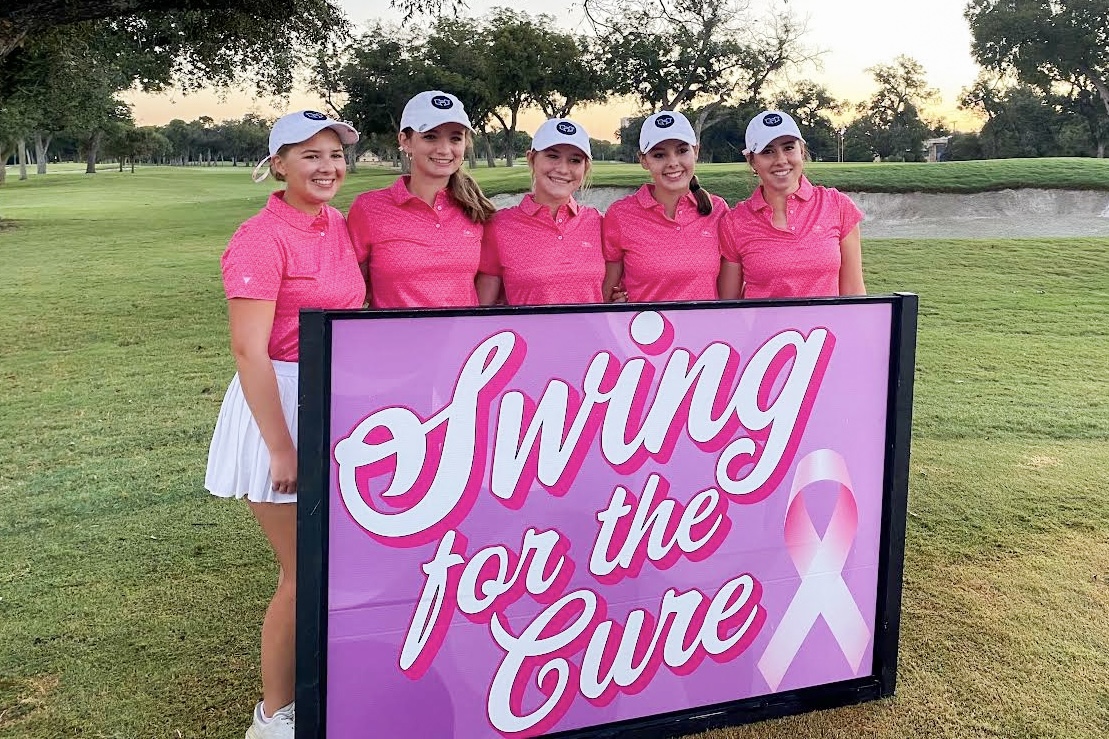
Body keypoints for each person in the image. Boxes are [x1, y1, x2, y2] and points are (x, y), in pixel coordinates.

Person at [204, 110, 363, 739]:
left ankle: (326, 687)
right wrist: (281, 447)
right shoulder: (258, 237)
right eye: (310, 157)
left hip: (335, 400)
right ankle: (273, 716)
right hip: (279, 402)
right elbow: (249, 350)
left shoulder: (338, 225)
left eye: (335, 155)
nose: (327, 168)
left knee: (335, 567)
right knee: (304, 571)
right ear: (278, 165)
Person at [347, 90, 496, 308]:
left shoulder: (477, 211)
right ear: (405, 141)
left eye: (455, 138)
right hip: (393, 340)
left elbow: (486, 285)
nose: (444, 149)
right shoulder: (369, 209)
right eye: (430, 136)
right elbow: (353, 293)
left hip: (464, 341)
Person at [718, 110, 866, 299]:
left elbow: (854, 295)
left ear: (801, 151)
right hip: (763, 329)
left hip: (825, 329)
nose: (781, 160)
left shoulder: (838, 206)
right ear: (752, 161)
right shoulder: (735, 222)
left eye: (788, 148)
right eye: (768, 151)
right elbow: (728, 308)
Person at [601, 110, 728, 303]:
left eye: (682, 151)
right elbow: (607, 294)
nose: (672, 163)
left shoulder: (718, 210)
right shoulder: (621, 214)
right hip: (646, 331)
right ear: (643, 160)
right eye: (659, 155)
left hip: (706, 331)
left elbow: (729, 291)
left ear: (696, 151)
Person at [476, 117, 605, 306]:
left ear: (585, 168)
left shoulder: (599, 222)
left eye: (575, 160)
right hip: (526, 335)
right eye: (552, 156)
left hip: (593, 335)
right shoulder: (499, 226)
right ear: (531, 159)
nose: (562, 169)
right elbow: (482, 312)